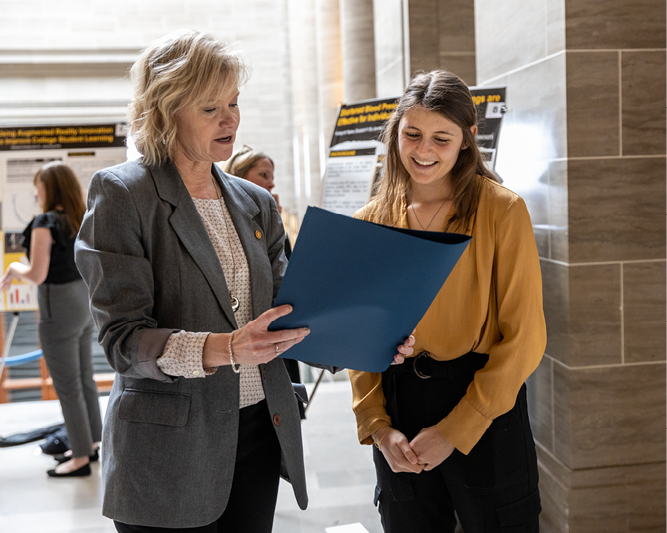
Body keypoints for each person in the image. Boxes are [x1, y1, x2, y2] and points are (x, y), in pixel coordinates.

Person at [74, 30, 411, 532]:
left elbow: (288, 312)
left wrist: (365, 340)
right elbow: (124, 342)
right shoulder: (124, 194)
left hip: (258, 429)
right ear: (167, 111)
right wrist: (226, 348)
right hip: (169, 448)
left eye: (234, 103)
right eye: (211, 108)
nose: (231, 119)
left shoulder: (253, 202)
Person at [349, 69, 547, 533]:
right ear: (395, 131)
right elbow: (360, 340)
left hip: (484, 401)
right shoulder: (370, 221)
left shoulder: (502, 210)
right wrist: (378, 425)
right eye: (412, 134)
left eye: (442, 138)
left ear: (467, 139)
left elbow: (525, 338)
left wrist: (458, 428)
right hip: (399, 405)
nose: (423, 151)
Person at [1, 162, 101, 478]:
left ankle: (80, 458)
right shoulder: (81, 217)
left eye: (39, 187)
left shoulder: (45, 222)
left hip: (58, 308)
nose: (35, 192)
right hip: (84, 302)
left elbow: (37, 273)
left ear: (49, 189)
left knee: (67, 386)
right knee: (85, 379)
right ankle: (93, 444)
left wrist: (13, 270)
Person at [226, 146, 306, 417]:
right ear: (238, 176)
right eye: (263, 174)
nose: (271, 182)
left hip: (281, 331)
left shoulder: (270, 214)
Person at [225, 146, 292, 257]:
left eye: (272, 178)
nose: (272, 184)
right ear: (238, 177)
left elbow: (285, 264)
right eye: (264, 175)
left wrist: (276, 225)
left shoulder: (267, 213)